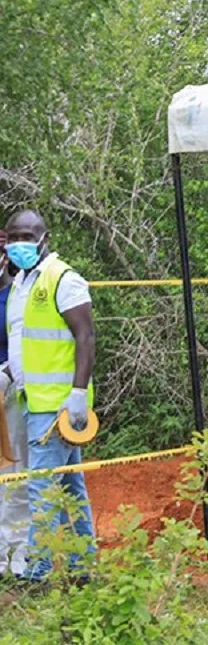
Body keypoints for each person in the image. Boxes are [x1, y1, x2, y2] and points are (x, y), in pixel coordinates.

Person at [3, 210, 97, 582]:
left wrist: (77, 394)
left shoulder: (64, 279)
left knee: (43, 489)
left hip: (57, 405)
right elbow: (26, 342)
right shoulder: (22, 282)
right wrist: (9, 372)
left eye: (26, 235)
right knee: (70, 488)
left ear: (45, 238)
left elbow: (85, 337)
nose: (19, 244)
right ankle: (81, 565)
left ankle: (38, 571)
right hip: (34, 401)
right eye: (12, 237)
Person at [0, 230, 31, 579]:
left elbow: (25, 342)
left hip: (11, 389)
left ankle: (18, 552)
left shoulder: (18, 294)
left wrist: (8, 373)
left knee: (15, 472)